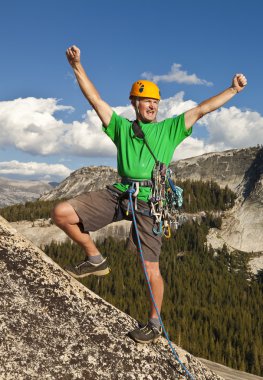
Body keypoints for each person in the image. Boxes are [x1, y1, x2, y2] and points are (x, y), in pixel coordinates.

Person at [52, 45, 247, 344]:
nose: (151, 105)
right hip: (120, 192)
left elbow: (202, 109)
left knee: (150, 267)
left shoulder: (169, 130)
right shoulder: (120, 128)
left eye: (155, 101)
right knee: (62, 214)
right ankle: (95, 259)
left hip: (150, 200)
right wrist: (77, 65)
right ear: (134, 103)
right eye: (145, 100)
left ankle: (155, 323)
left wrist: (232, 90)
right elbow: (95, 99)